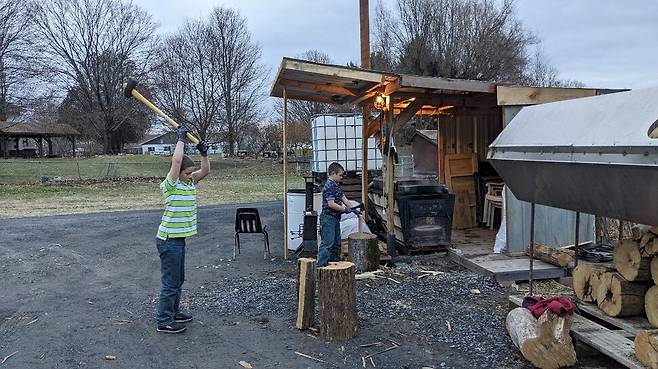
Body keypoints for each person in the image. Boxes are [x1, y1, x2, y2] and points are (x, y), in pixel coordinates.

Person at [155, 125, 210, 334]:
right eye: (187, 173)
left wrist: (204, 154)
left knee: (178, 280)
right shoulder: (171, 185)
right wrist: (180, 140)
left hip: (179, 239)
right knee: (170, 282)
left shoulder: (189, 184)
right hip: (168, 240)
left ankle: (173, 312)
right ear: (177, 173)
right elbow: (176, 161)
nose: (190, 175)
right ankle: (164, 320)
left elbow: (205, 170)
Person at [317, 162, 359, 267]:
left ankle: (334, 264)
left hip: (335, 219)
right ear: (333, 173)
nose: (341, 177)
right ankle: (321, 266)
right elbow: (331, 204)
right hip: (328, 219)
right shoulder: (329, 186)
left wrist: (353, 208)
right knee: (328, 243)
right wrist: (345, 209)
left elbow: (343, 198)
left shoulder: (336, 186)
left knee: (336, 243)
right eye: (340, 175)